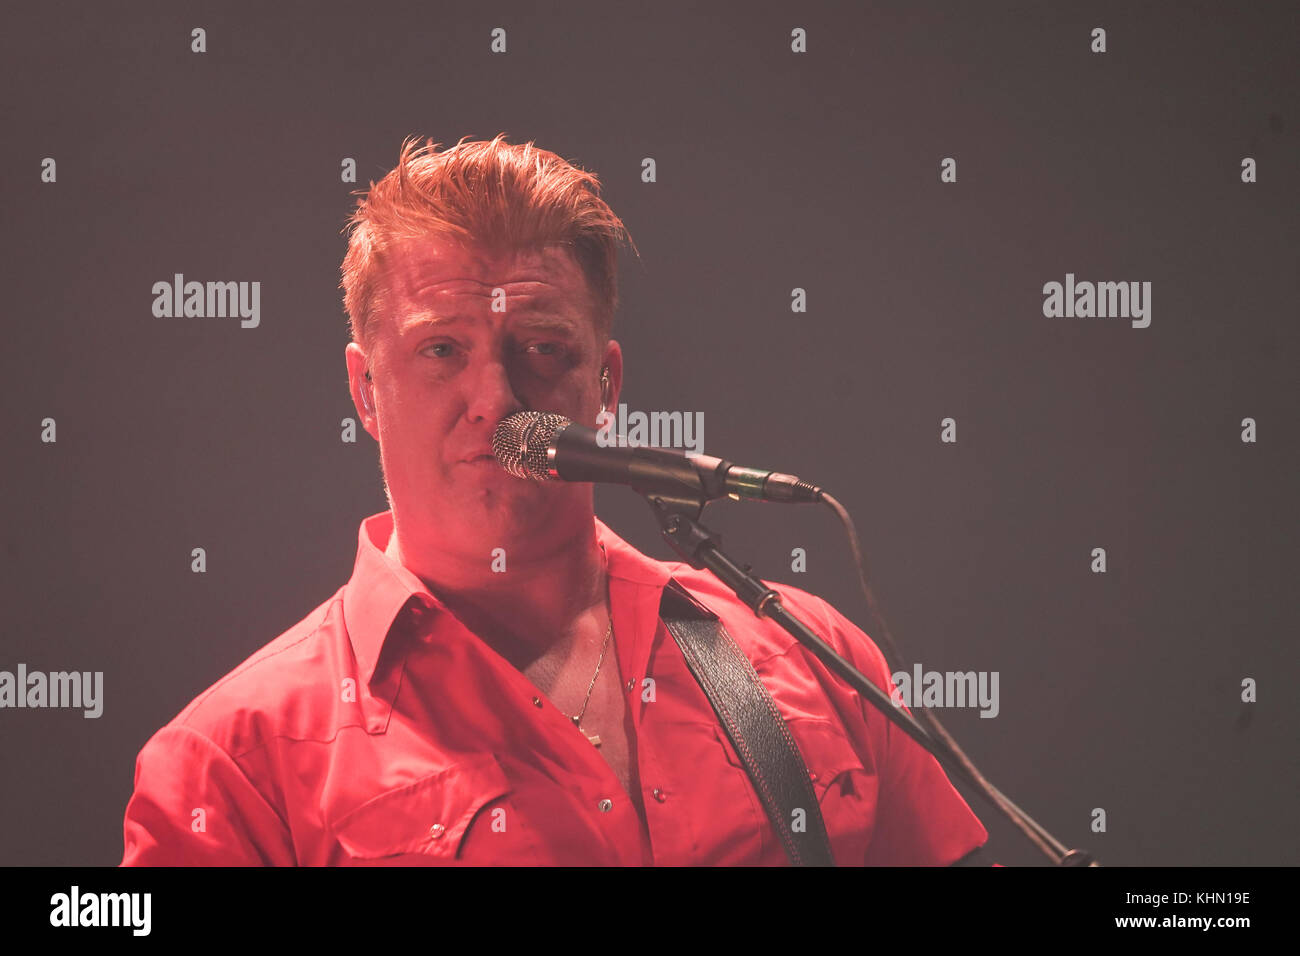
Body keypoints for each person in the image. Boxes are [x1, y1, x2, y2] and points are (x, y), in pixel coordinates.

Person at [119, 134, 989, 866]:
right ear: (365, 392)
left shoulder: (819, 659)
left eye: (540, 347)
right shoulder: (228, 763)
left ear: (605, 383)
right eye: (441, 352)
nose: (495, 398)